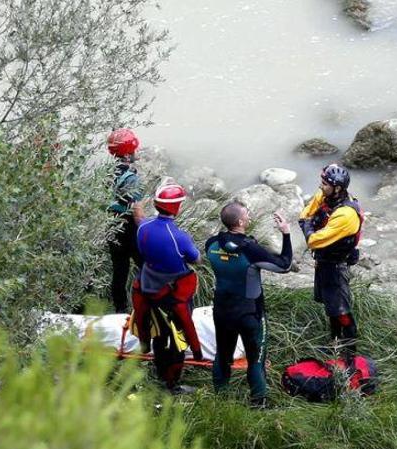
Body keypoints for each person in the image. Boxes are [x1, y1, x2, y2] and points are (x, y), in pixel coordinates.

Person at [205, 202, 292, 408]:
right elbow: (285, 265)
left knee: (223, 355)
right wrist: (286, 234)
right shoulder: (250, 249)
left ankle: (220, 400)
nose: (250, 217)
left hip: (222, 311)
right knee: (255, 359)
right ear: (241, 222)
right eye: (247, 215)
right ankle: (258, 403)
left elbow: (226, 253)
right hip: (249, 313)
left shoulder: (211, 244)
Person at [131, 183, 203, 393]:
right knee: (178, 339)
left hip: (148, 288)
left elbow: (139, 219)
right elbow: (196, 259)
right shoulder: (178, 236)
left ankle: (158, 371)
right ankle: (172, 384)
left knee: (158, 333)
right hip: (174, 294)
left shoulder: (143, 227)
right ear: (177, 208)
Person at [298, 164, 364, 366]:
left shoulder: (346, 214)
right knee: (331, 306)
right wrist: (307, 224)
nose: (321, 186)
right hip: (324, 262)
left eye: (325, 183)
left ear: (337, 188)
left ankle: (350, 356)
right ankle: (334, 342)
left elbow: (314, 239)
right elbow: (305, 215)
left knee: (342, 311)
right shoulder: (327, 196)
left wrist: (308, 228)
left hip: (336, 266)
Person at [106, 128, 143, 313]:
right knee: (145, 267)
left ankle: (120, 310)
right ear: (129, 153)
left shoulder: (106, 172)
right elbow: (137, 210)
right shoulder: (131, 177)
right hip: (129, 227)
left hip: (112, 226)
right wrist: (146, 228)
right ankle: (147, 306)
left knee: (119, 271)